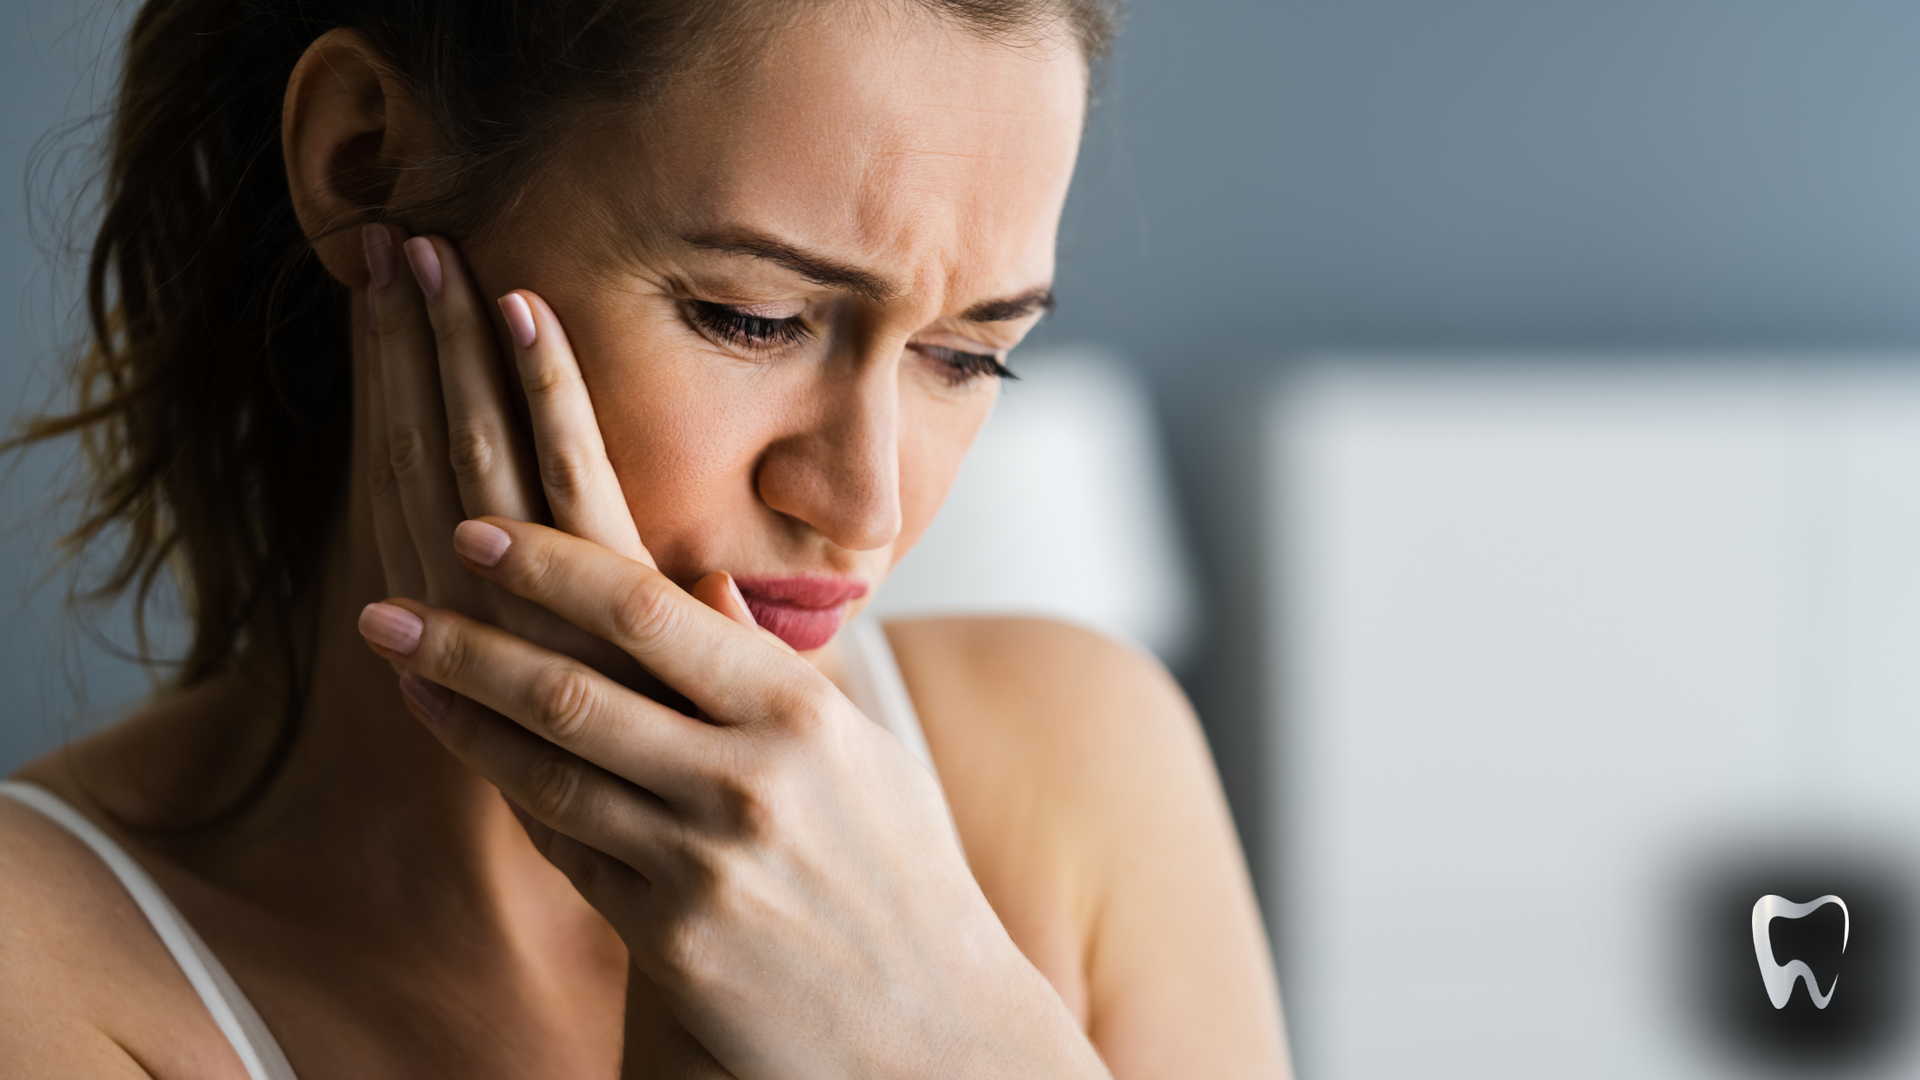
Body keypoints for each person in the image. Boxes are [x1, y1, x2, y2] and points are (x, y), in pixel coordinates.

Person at [0, 0, 1290, 1075]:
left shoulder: (1081, 771)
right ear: (365, 164)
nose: (864, 505)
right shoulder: (39, 963)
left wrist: (964, 1032)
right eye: (751, 318)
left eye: (966, 358)